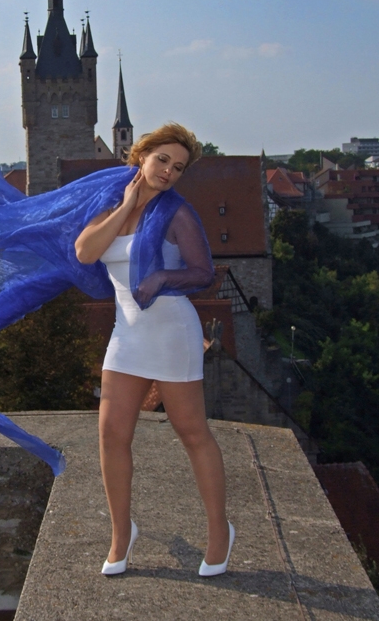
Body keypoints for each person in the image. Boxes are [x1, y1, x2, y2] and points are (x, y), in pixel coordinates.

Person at [74, 123, 235, 577]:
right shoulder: (110, 203)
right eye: (162, 160)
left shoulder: (177, 213)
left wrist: (163, 277)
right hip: (127, 332)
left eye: (178, 167)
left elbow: (203, 272)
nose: (168, 171)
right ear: (140, 156)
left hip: (171, 331)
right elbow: (86, 252)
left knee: (192, 432)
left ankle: (220, 531)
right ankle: (122, 534)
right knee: (111, 434)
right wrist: (126, 204)